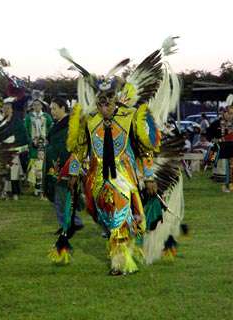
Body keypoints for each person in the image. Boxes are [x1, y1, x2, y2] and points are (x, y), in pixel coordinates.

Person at [59, 36, 180, 275]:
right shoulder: (89, 120)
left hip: (123, 177)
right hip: (96, 178)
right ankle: (126, 250)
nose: (104, 107)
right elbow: (79, 149)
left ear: (115, 99)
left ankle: (120, 263)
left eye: (108, 102)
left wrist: (149, 177)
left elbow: (144, 149)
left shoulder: (130, 117)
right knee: (106, 218)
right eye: (100, 102)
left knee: (118, 216)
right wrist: (73, 173)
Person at [45, 97, 83, 263]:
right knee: (60, 198)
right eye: (51, 109)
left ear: (63, 108)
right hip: (56, 167)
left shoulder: (69, 126)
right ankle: (71, 222)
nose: (52, 111)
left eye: (54, 108)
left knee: (63, 197)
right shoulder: (58, 125)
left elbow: (71, 148)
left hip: (65, 167)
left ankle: (70, 223)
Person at [1, 100, 29, 200]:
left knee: (14, 171)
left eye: (8, 108)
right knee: (4, 172)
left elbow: (22, 136)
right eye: (4, 108)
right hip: (2, 151)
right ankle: (5, 192)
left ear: (12, 110)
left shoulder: (17, 122)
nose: (6, 110)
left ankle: (15, 192)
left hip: (14, 151)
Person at [25, 99, 52, 195]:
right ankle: (35, 188)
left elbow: (51, 127)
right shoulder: (29, 117)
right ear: (32, 106)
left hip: (44, 144)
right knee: (34, 165)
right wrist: (30, 141)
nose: (36, 107)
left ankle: (42, 187)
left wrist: (47, 138)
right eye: (34, 105)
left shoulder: (46, 116)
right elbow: (26, 130)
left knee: (43, 164)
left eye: (38, 105)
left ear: (42, 106)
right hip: (33, 145)